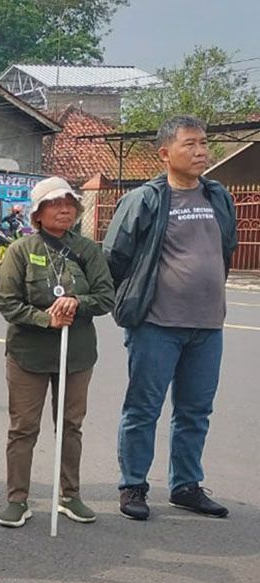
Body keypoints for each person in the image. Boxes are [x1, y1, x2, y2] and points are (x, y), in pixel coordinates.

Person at [105, 115, 238, 521]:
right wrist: (131, 302)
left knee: (196, 410)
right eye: (190, 144)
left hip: (208, 325)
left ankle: (185, 485)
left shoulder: (218, 196)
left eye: (203, 143)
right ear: (165, 153)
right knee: (143, 408)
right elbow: (115, 256)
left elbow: (226, 249)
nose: (201, 151)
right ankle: (133, 486)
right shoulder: (146, 199)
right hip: (156, 325)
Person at [0, 177, 115, 528]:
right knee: (23, 428)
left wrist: (76, 303)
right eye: (54, 203)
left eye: (70, 203)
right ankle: (17, 499)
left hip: (76, 355)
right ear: (38, 213)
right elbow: (8, 302)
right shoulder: (20, 250)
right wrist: (46, 319)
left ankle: (70, 495)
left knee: (70, 426)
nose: (64, 209)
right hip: (27, 355)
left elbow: (106, 296)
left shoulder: (89, 250)